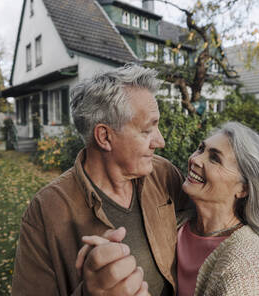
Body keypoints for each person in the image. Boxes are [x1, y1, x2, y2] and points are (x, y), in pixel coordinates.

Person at [12, 65, 192, 296]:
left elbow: (201, 229)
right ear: (105, 137)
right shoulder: (46, 210)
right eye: (147, 131)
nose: (160, 142)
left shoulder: (165, 174)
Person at [177, 121, 259, 296]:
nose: (195, 159)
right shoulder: (178, 220)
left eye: (215, 158)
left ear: (243, 189)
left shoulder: (249, 268)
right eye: (201, 149)